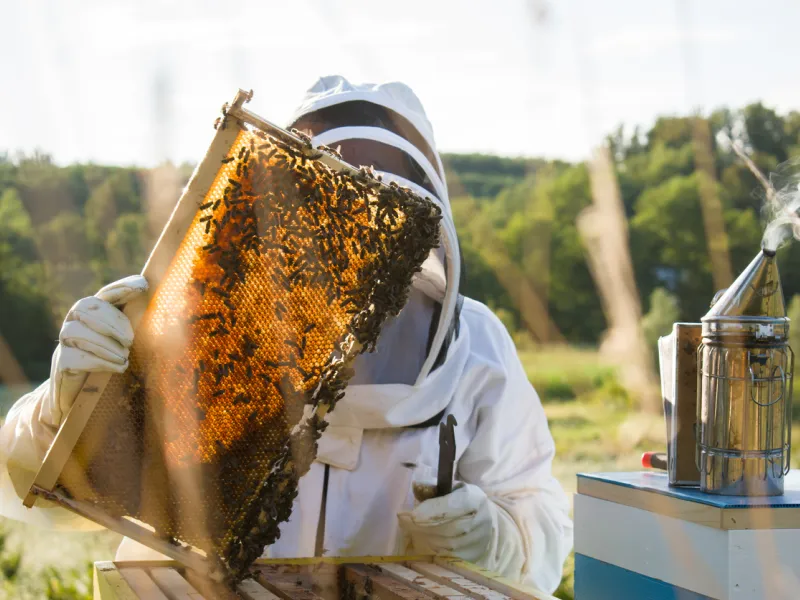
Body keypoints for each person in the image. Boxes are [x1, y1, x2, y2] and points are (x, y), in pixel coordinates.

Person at [0, 76, 573, 594]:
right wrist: (62, 411)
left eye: (383, 210)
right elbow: (37, 495)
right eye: (336, 203)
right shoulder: (207, 315)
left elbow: (544, 531)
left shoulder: (478, 346)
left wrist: (498, 540)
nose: (356, 227)